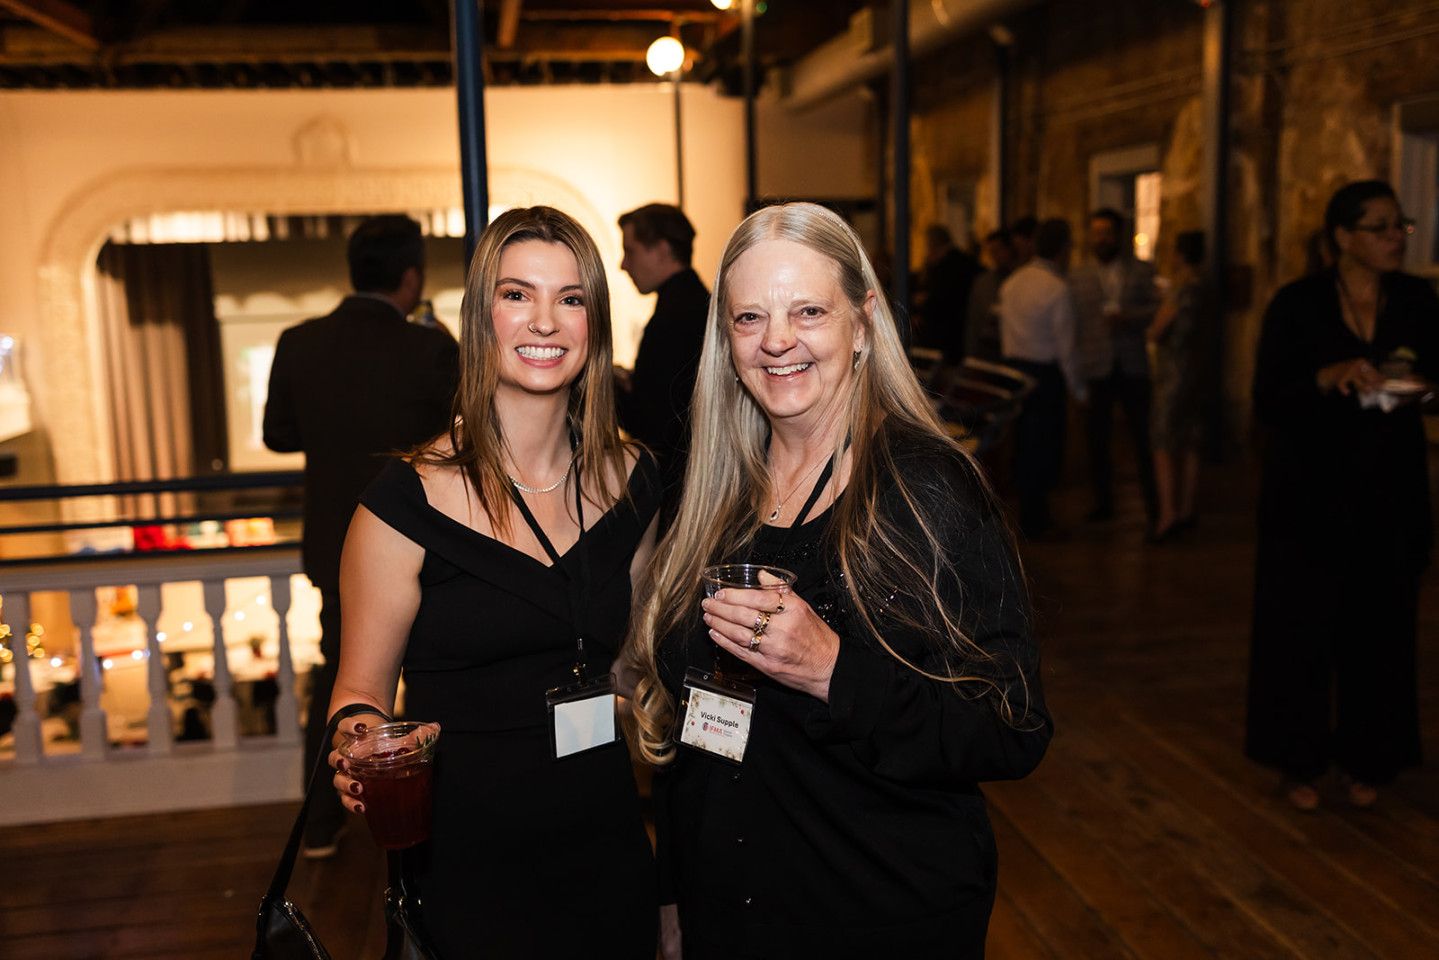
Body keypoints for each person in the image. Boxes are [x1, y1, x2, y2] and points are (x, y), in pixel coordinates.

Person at [627, 202, 1052, 959]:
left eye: (808, 311)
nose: (777, 340)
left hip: (875, 913)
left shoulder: (924, 489)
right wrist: (673, 895)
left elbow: (1009, 727)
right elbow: (699, 733)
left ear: (863, 321)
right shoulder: (717, 491)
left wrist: (831, 670)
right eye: (749, 317)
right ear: (725, 341)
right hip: (730, 913)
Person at [325, 207, 662, 957]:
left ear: (595, 325)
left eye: (570, 298)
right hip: (466, 859)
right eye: (517, 295)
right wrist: (358, 746)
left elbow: (635, 663)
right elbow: (358, 693)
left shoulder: (636, 478)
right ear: (480, 318)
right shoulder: (401, 504)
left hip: (605, 840)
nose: (544, 320)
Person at [262, 214, 458, 858]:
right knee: (431, 675)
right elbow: (466, 434)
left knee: (340, 680)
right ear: (411, 277)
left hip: (331, 537)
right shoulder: (428, 349)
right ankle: (441, 811)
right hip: (429, 538)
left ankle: (319, 824)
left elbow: (278, 435)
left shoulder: (298, 342)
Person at [1247, 180, 1436, 812]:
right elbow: (1269, 398)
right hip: (1309, 495)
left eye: (1398, 226)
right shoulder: (1298, 304)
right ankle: (1299, 758)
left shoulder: (1415, 299)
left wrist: (1419, 388)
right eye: (1380, 227)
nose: (1394, 237)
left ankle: (1370, 757)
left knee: (1381, 632)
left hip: (1391, 495)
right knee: (1302, 629)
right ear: (1343, 238)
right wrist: (1327, 377)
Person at [615, 203, 711, 522]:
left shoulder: (673, 317)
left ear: (662, 250)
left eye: (631, 250)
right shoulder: (699, 303)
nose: (623, 264)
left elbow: (653, 423)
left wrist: (607, 383)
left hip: (679, 495)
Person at [1071, 208, 1161, 524]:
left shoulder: (1141, 270)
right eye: (1096, 232)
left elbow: (1156, 309)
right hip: (1097, 365)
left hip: (1132, 364)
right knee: (1098, 439)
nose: (1102, 239)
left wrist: (1129, 319)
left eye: (1107, 232)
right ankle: (1103, 502)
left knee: (1142, 435)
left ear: (1119, 235)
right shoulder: (1078, 276)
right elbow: (1075, 323)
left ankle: (1156, 505)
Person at [998, 217, 1087, 539]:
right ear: (1064, 249)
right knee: (1045, 446)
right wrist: (1078, 388)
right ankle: (1037, 518)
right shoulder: (1057, 289)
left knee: (1024, 443)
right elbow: (1067, 347)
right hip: (1045, 373)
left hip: (1015, 371)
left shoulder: (1013, 283)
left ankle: (1028, 513)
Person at [1147, 230, 1209, 542]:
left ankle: (1168, 513)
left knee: (1163, 441)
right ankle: (1187, 508)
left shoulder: (1182, 288)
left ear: (1180, 254)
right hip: (1199, 371)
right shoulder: (1205, 287)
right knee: (1191, 440)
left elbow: (1157, 331)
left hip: (1174, 372)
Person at [916, 224, 982, 363]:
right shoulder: (963, 261)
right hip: (961, 327)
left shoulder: (945, 266)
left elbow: (939, 298)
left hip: (946, 331)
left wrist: (924, 301)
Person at [966, 228, 1020, 362]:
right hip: (987, 352)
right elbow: (974, 321)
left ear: (1009, 249)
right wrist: (970, 355)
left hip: (1015, 351)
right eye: (991, 252)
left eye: (998, 251)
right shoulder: (983, 283)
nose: (995, 256)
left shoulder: (1021, 281)